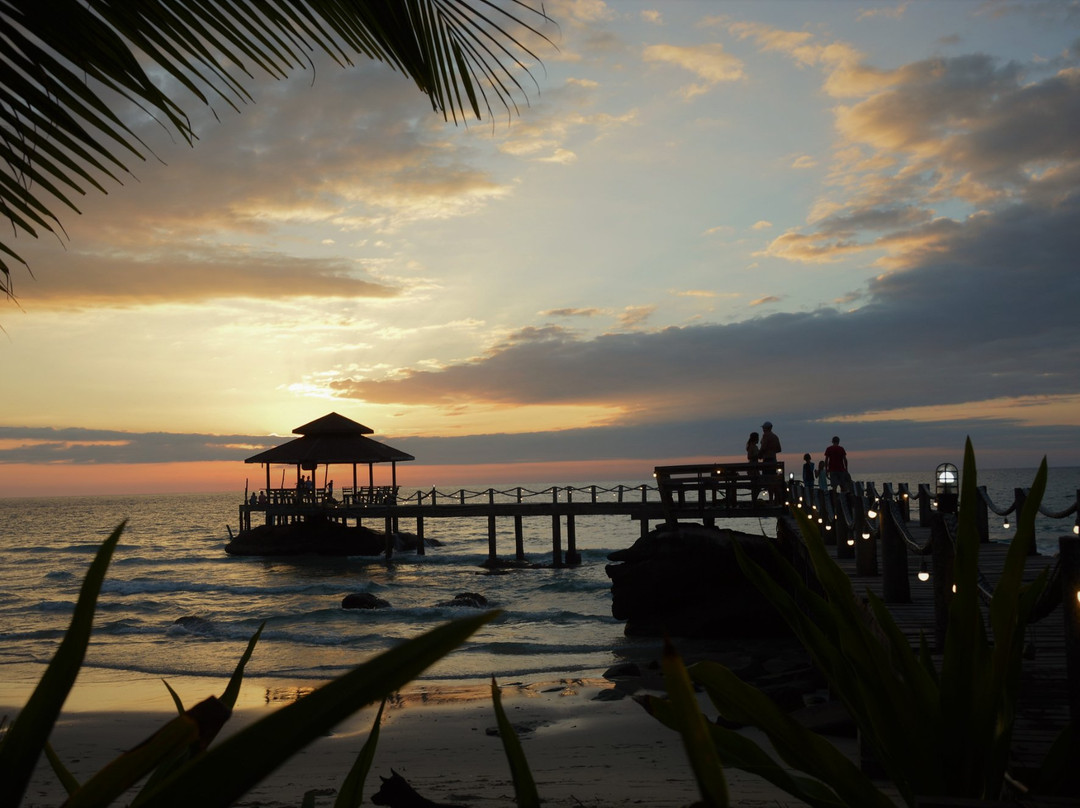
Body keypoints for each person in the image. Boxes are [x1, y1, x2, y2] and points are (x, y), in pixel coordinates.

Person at [759, 421, 782, 502]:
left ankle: (771, 500)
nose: (763, 430)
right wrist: (772, 450)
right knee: (773, 480)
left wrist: (759, 455)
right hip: (774, 459)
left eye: (763, 428)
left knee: (768, 481)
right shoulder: (775, 437)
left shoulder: (766, 436)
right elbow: (779, 449)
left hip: (767, 460)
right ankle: (776, 499)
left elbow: (763, 447)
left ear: (766, 428)